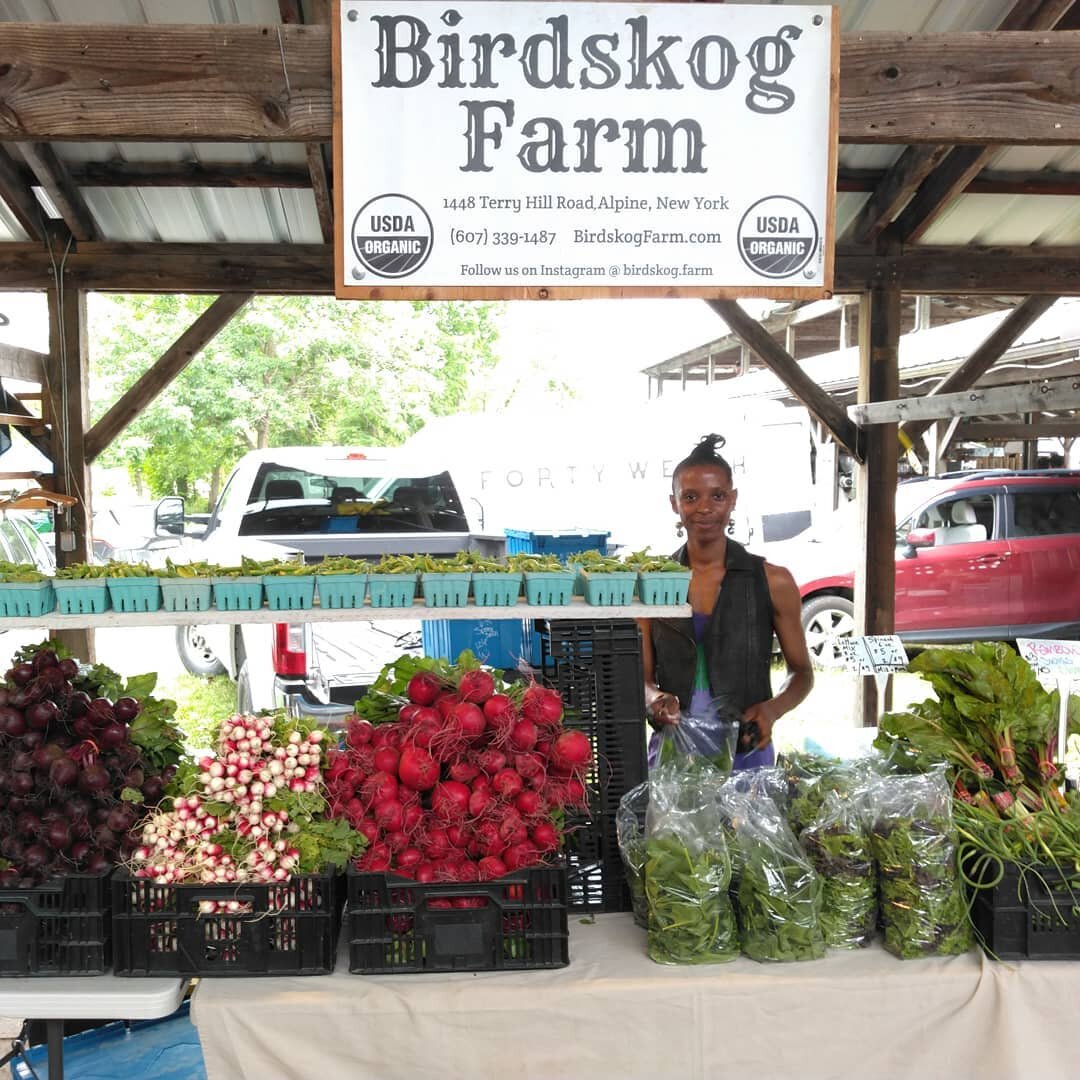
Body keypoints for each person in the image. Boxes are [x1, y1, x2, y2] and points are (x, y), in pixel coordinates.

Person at [638, 433, 814, 769]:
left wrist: (772, 710)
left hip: (747, 755)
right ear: (674, 504)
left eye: (717, 496)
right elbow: (642, 680)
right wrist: (655, 699)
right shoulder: (652, 583)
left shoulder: (772, 581)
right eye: (690, 497)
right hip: (674, 758)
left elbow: (803, 673)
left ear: (732, 499)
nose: (704, 508)